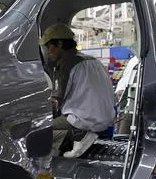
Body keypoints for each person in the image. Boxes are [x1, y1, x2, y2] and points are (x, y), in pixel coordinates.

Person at [43, 23, 115, 159]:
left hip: (84, 120)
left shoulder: (67, 64)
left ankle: (79, 136)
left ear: (59, 44)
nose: (47, 51)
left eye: (48, 47)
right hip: (105, 119)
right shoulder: (92, 60)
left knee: (38, 131)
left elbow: (57, 101)